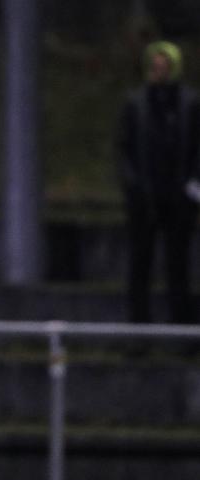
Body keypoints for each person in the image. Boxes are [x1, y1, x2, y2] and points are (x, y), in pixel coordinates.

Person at [116, 41, 200, 324]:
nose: (159, 73)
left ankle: (183, 327)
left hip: (179, 197)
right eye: (155, 67)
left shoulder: (189, 103)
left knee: (178, 266)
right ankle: (138, 329)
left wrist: (192, 185)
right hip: (145, 198)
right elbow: (125, 148)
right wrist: (134, 187)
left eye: (164, 68)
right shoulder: (137, 104)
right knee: (140, 264)